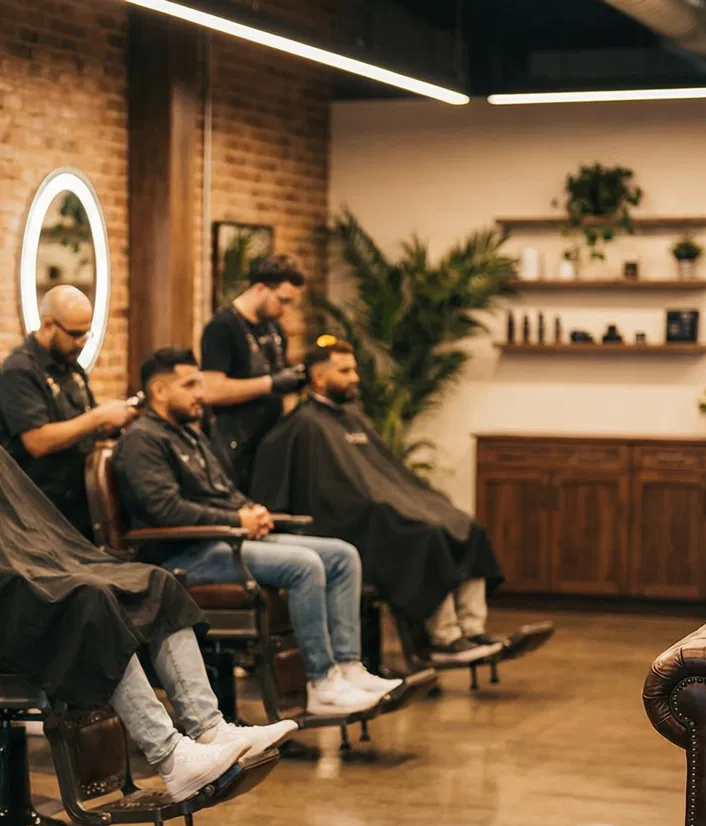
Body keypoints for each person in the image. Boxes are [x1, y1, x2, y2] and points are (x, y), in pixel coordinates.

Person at [0, 314, 297, 802]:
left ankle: (208, 730)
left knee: (154, 582)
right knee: (90, 600)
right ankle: (171, 758)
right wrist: (28, 571)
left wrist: (48, 563)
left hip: (15, 577)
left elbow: (18, 525)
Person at [112, 348, 403, 717]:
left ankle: (347, 667)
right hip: (185, 553)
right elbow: (166, 509)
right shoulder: (143, 441)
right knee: (305, 565)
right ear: (159, 391)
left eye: (200, 384)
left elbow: (223, 489)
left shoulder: (190, 434)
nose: (200, 393)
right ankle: (321, 683)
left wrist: (251, 511)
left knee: (342, 555)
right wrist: (236, 520)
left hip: (224, 540)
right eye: (190, 385)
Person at [250, 339, 506, 666]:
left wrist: (415, 499)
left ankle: (472, 629)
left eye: (354, 368)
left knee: (464, 525)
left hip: (380, 510)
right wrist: (389, 506)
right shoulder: (304, 425)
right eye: (345, 371)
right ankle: (444, 638)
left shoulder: (352, 417)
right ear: (319, 378)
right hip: (350, 522)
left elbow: (387, 473)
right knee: (424, 533)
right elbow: (329, 494)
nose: (355, 377)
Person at [0, 284, 136, 539]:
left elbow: (81, 423)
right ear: (48, 325)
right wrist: (97, 418)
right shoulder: (18, 371)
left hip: (82, 502)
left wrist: (109, 420)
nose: (81, 342)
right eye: (75, 334)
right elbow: (37, 441)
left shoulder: (71, 366)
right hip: (42, 507)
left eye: (86, 334)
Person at [198, 253, 310, 492]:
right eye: (282, 300)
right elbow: (210, 390)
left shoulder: (274, 328)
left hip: (269, 444)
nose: (286, 310)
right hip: (234, 447)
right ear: (260, 289)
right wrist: (270, 384)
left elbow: (284, 389)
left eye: (291, 303)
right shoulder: (222, 328)